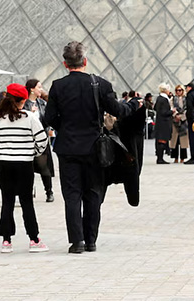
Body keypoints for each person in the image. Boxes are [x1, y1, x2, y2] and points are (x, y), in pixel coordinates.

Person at [42, 41, 131, 254]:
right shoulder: (100, 84)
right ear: (85, 61)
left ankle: (77, 242)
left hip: (68, 148)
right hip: (94, 148)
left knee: (72, 195)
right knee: (93, 193)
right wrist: (132, 106)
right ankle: (91, 240)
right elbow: (117, 110)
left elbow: (50, 118)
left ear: (65, 63)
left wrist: (66, 129)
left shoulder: (57, 86)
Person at [0, 83, 50, 254]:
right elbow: (42, 140)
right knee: (27, 203)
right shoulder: (29, 117)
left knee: (7, 202)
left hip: (4, 164)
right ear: (23, 100)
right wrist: (33, 152)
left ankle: (6, 240)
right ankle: (34, 239)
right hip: (24, 164)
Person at [23, 79, 55, 202]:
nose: (41, 90)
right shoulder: (24, 104)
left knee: (44, 167)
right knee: (28, 168)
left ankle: (49, 191)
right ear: (32, 89)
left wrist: (49, 127)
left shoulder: (42, 103)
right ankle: (29, 191)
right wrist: (29, 114)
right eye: (39, 87)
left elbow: (47, 119)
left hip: (41, 139)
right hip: (27, 140)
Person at [170, 85, 188, 163]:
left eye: (180, 90)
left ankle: (183, 158)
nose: (178, 92)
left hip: (184, 121)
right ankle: (175, 157)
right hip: (175, 121)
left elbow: (187, 109)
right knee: (175, 140)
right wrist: (176, 115)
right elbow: (171, 107)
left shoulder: (186, 99)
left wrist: (182, 117)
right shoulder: (173, 99)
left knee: (183, 140)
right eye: (177, 90)